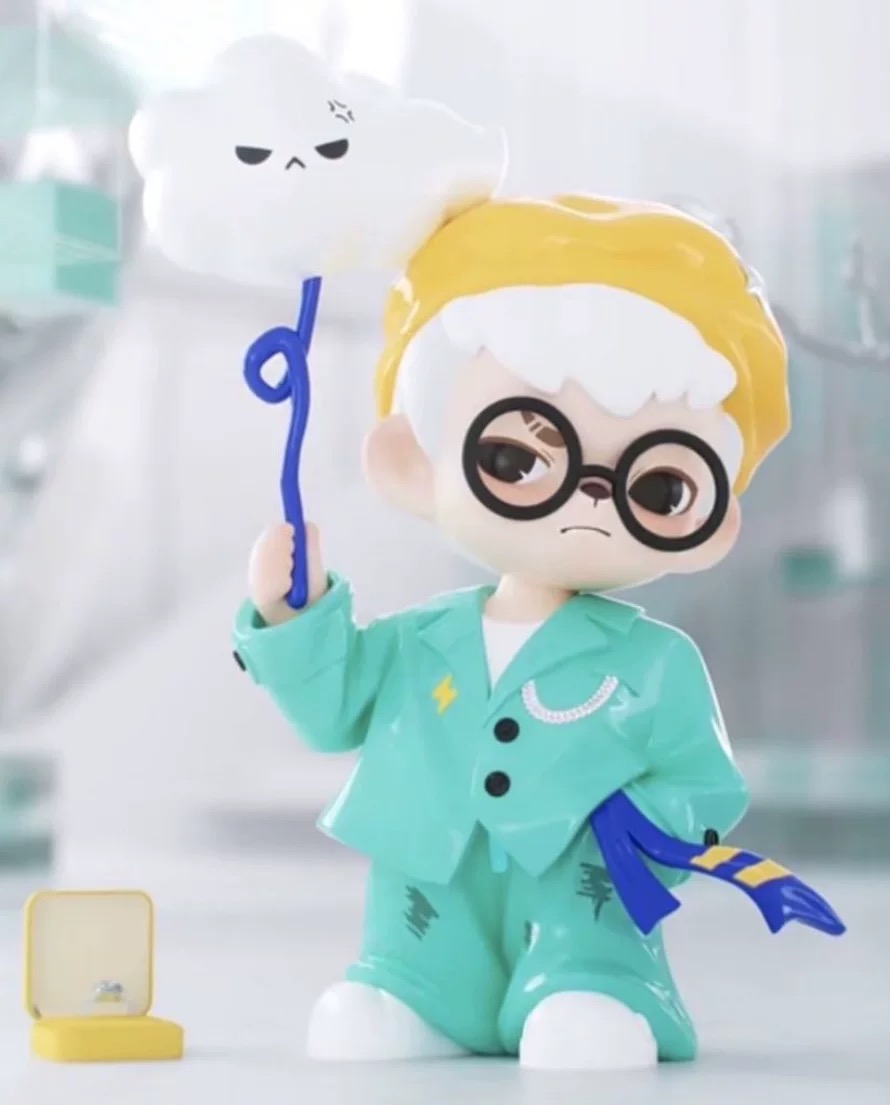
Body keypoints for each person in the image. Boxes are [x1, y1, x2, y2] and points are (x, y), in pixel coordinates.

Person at [232, 194, 790, 1070]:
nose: (591, 497)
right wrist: (291, 616)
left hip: (581, 904)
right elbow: (331, 707)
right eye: (519, 460)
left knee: (584, 994)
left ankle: (594, 986)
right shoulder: (417, 642)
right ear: (412, 464)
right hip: (425, 899)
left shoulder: (655, 665)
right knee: (385, 1001)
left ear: (710, 523)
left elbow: (702, 781)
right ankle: (415, 991)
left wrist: (631, 839)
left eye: (658, 486)